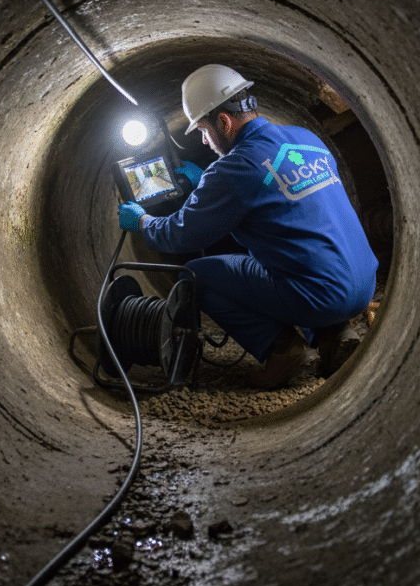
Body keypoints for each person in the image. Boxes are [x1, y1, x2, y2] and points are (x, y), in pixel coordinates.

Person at [118, 64, 378, 387]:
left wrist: (143, 221)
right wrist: (206, 183)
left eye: (203, 130)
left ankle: (282, 349)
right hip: (363, 284)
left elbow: (179, 235)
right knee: (298, 251)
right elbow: (278, 195)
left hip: (322, 297)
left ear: (223, 122)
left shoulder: (233, 169)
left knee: (197, 276)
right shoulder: (305, 138)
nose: (205, 140)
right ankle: (334, 335)